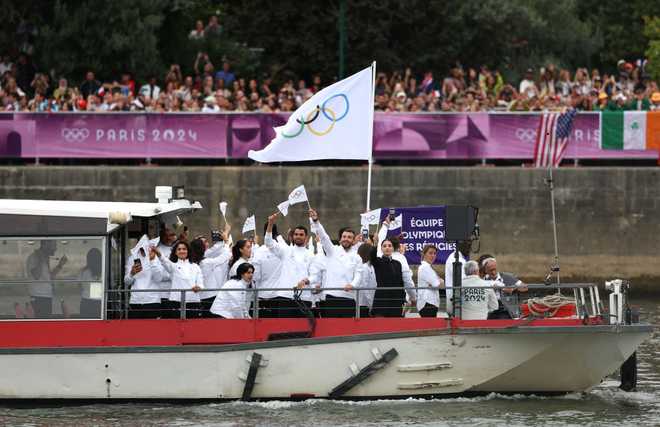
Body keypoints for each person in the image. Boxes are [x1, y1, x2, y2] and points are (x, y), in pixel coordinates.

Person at [309, 209, 361, 318]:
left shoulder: (357, 257)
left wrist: (352, 285)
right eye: (344, 237)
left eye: (349, 237)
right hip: (332, 296)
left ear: (353, 240)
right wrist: (316, 221)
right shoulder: (332, 251)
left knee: (348, 330)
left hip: (349, 298)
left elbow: (358, 275)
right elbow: (324, 237)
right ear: (340, 239)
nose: (346, 239)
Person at [264, 212, 314, 317]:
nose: (298, 237)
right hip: (285, 296)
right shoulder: (285, 251)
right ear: (292, 236)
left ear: (306, 237)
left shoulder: (311, 255)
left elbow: (315, 275)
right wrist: (270, 224)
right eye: (296, 234)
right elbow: (268, 242)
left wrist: (307, 280)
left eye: (301, 235)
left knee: (302, 330)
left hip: (304, 297)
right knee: (284, 330)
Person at [152, 240, 204, 319]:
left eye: (184, 249)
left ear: (188, 251)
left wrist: (198, 287)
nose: (182, 251)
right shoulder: (173, 266)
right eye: (179, 249)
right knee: (176, 328)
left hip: (193, 301)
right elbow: (164, 260)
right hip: (176, 302)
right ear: (175, 252)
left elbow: (200, 282)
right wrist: (158, 253)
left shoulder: (195, 266)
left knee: (193, 328)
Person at [190, 228, 231, 317]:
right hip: (210, 296)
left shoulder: (192, 263)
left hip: (198, 297)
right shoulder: (205, 263)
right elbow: (224, 257)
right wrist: (227, 241)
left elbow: (214, 250)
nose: (206, 245)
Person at [251, 221, 286, 318]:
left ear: (264, 233)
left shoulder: (258, 252)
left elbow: (256, 276)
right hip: (280, 295)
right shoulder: (284, 250)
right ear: (277, 233)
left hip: (263, 294)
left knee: (264, 327)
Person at [125, 235, 164, 319]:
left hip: (152, 301)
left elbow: (159, 278)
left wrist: (152, 261)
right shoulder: (132, 258)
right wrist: (131, 273)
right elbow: (127, 282)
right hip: (135, 302)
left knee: (153, 330)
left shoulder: (157, 258)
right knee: (135, 330)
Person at [26, 240, 66, 318]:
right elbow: (36, 276)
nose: (56, 248)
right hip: (38, 298)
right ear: (46, 244)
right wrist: (41, 259)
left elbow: (49, 277)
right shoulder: (34, 257)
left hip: (46, 297)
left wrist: (60, 265)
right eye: (54, 245)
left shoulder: (45, 258)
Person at [479, 255, 528, 319]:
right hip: (488, 310)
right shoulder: (482, 281)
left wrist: (512, 290)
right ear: (485, 270)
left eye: (495, 269)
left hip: (505, 310)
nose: (493, 272)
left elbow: (525, 287)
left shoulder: (507, 277)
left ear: (497, 267)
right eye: (491, 270)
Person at [369, 235, 405, 317]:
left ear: (393, 248)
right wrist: (375, 244)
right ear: (381, 249)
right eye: (384, 246)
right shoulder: (378, 261)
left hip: (396, 302)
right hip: (381, 301)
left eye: (389, 246)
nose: (387, 248)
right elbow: (372, 256)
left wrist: (403, 300)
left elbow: (400, 283)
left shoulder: (397, 263)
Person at [416, 245, 445, 317]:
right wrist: (441, 281)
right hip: (427, 304)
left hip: (430, 303)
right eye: (430, 253)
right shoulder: (425, 267)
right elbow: (438, 285)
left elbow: (437, 284)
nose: (433, 255)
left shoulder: (428, 267)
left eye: (434, 253)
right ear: (424, 254)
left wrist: (439, 282)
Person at [155, 225, 177, 317]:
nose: (168, 238)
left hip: (175, 293)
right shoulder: (157, 250)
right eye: (165, 235)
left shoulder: (178, 249)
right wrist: (174, 276)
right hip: (161, 293)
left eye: (171, 235)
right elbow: (158, 274)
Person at [445, 240, 470, 315]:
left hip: (456, 302)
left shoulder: (454, 256)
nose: (469, 249)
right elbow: (464, 282)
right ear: (460, 245)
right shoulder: (457, 260)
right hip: (457, 304)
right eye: (468, 246)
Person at [353, 243, 377, 317]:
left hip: (368, 303)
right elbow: (364, 287)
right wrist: (370, 304)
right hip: (363, 304)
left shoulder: (371, 267)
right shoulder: (364, 267)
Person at [79, 247, 103, 318]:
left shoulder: (83, 271)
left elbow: (79, 286)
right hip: (99, 302)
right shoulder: (105, 271)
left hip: (86, 302)